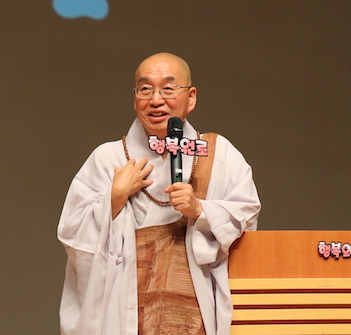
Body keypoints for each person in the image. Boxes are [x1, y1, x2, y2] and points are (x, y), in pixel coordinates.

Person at [58, 52, 261, 335]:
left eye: (168, 88)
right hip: (127, 313)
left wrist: (201, 210)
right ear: (134, 97)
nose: (156, 100)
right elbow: (74, 237)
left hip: (195, 312)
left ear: (191, 98)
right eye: (145, 89)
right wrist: (113, 200)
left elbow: (246, 217)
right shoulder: (108, 158)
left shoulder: (219, 154)